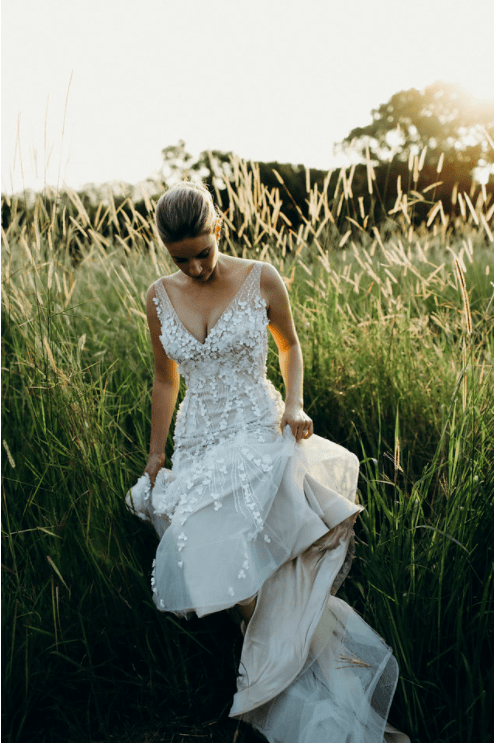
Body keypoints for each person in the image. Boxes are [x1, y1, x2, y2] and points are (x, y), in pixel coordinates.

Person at [126, 181, 409, 743]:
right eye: (182, 259)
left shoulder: (262, 276)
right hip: (200, 443)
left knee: (266, 569)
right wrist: (157, 456)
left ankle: (287, 682)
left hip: (257, 428)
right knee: (225, 574)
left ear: (219, 228)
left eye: (204, 251)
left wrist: (296, 403)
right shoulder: (159, 295)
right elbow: (165, 377)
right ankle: (276, 670)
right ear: (166, 251)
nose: (198, 267)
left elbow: (291, 345)